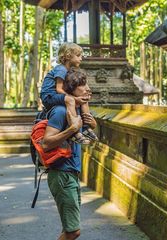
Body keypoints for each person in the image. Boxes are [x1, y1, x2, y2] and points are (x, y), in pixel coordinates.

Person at [42, 70, 96, 240]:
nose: (88, 89)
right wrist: (72, 129)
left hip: (71, 173)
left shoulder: (77, 112)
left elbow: (87, 139)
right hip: (62, 174)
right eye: (82, 85)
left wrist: (92, 125)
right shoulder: (59, 111)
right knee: (73, 231)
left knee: (69, 229)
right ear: (71, 89)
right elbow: (46, 143)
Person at [40, 42, 98, 144]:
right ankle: (75, 131)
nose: (81, 58)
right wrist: (74, 99)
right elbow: (59, 89)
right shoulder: (61, 69)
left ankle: (85, 126)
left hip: (57, 95)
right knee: (70, 99)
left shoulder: (69, 71)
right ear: (68, 56)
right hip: (49, 96)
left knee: (83, 100)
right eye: (78, 56)